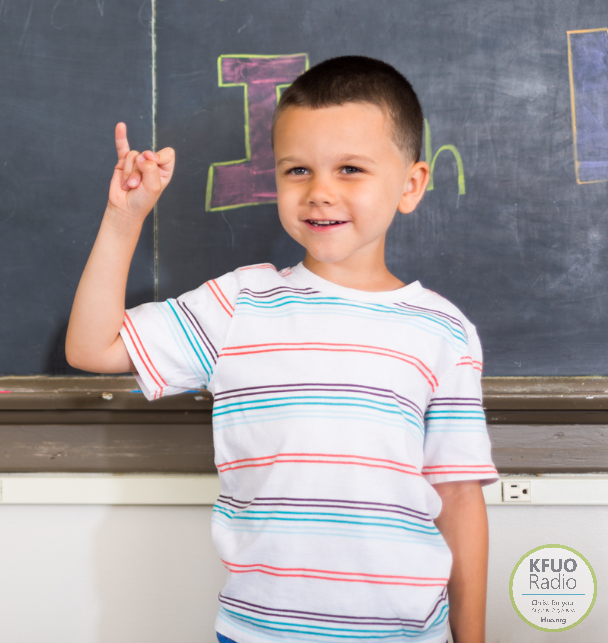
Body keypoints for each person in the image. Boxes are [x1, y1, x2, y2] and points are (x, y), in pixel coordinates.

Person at [66, 56, 497, 643]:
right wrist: (124, 217)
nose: (320, 192)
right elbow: (93, 347)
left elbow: (458, 497)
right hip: (260, 633)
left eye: (350, 169)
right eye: (297, 170)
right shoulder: (241, 301)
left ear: (410, 184)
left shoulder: (442, 330)